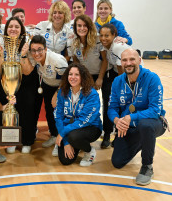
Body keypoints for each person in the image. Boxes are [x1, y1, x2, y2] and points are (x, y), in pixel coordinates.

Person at [108, 49, 167, 186]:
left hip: (154, 123)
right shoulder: (117, 81)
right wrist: (117, 121)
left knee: (145, 126)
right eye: (124, 60)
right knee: (117, 162)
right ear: (121, 63)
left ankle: (147, 166)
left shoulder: (152, 78)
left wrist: (130, 117)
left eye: (132, 59)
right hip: (129, 126)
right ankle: (145, 140)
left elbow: (154, 110)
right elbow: (112, 108)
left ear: (139, 60)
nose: (128, 63)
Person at [0, 17, 39, 154]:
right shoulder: (1, 43)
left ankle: (27, 141)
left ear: (21, 29)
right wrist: (0, 54)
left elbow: (27, 71)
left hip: (25, 83)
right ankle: (11, 140)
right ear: (6, 29)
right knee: (9, 110)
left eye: (17, 27)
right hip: (6, 83)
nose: (13, 29)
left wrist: (23, 55)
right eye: (10, 26)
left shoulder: (27, 43)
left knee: (26, 111)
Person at [69, 15, 114, 149]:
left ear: (89, 27)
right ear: (75, 28)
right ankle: (86, 131)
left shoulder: (97, 41)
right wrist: (84, 78)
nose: (82, 28)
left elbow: (105, 60)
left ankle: (107, 134)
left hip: (103, 75)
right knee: (85, 104)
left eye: (84, 26)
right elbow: (76, 61)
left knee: (107, 103)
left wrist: (99, 78)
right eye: (79, 26)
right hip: (86, 76)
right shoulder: (74, 42)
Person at [21, 35, 68, 156]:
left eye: (39, 49)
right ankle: (53, 135)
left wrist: (57, 93)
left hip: (62, 86)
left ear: (46, 49)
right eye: (33, 50)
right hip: (47, 84)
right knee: (49, 111)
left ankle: (61, 141)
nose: (36, 53)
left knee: (59, 112)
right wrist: (24, 54)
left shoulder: (57, 60)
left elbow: (68, 78)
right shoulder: (31, 56)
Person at [55, 63, 102, 166]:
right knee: (65, 160)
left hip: (90, 127)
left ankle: (89, 151)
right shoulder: (63, 91)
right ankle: (70, 142)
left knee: (74, 137)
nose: (73, 77)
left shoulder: (92, 94)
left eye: (77, 74)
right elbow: (58, 116)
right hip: (71, 128)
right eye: (70, 74)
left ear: (83, 77)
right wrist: (66, 143)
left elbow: (84, 120)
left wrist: (63, 133)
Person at [99, 23, 131, 147]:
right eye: (101, 35)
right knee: (108, 102)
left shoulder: (117, 47)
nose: (103, 38)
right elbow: (107, 61)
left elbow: (122, 71)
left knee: (121, 102)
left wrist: (119, 90)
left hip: (128, 75)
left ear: (114, 35)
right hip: (116, 73)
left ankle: (119, 134)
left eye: (107, 35)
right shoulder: (104, 46)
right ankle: (107, 132)